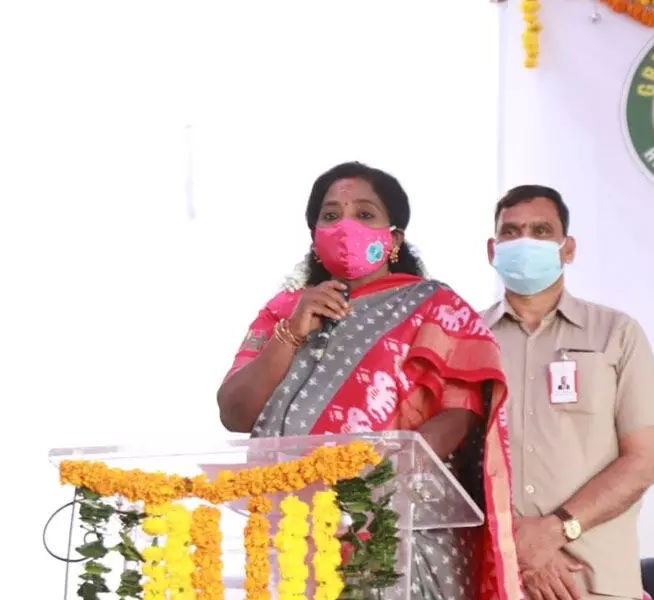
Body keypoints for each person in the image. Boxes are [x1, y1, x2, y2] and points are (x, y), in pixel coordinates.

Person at [216, 162, 521, 599]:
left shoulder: (434, 307)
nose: (344, 226)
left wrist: (367, 484)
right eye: (330, 215)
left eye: (364, 214)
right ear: (314, 235)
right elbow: (234, 412)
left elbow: (462, 414)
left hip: (391, 534)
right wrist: (292, 332)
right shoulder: (282, 309)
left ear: (394, 238)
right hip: (288, 538)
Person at [480, 185, 654, 600]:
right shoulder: (467, 339)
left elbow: (641, 462)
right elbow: (447, 463)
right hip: (493, 576)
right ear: (492, 250)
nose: (525, 242)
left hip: (593, 582)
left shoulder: (616, 334)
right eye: (511, 232)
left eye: (540, 230)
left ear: (567, 248)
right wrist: (517, 543)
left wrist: (553, 530)